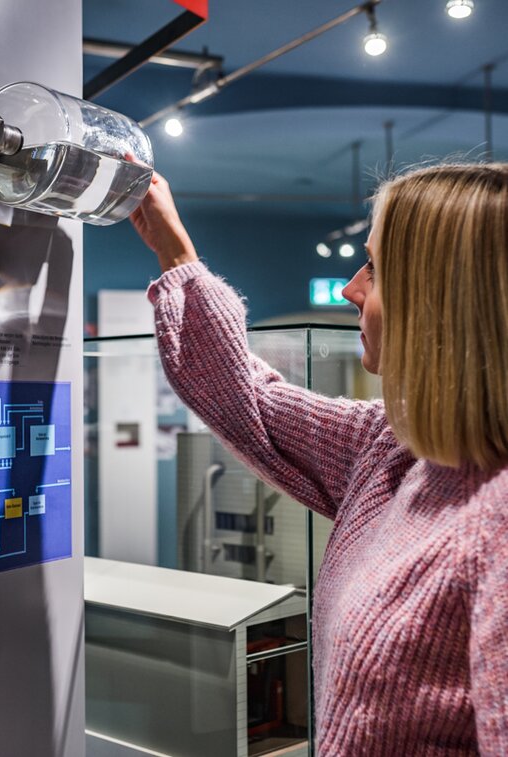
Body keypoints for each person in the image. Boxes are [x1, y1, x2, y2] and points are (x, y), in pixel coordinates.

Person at [130, 163, 508, 756]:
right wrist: (176, 254)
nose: (350, 289)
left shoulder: (497, 522)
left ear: (442, 302)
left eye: (375, 270)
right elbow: (249, 400)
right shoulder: (394, 448)